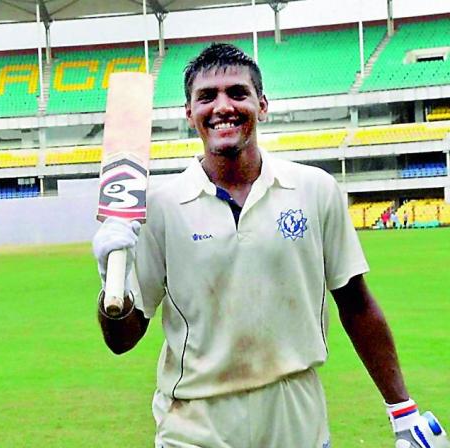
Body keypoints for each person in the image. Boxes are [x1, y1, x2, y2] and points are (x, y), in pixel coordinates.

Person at [92, 43, 448, 448]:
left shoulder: (314, 190)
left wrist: (402, 411)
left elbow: (356, 303)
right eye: (206, 96)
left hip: (298, 423)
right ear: (189, 113)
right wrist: (110, 288)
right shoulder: (159, 208)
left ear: (262, 105)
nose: (222, 106)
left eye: (237, 93)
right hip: (195, 427)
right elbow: (122, 340)